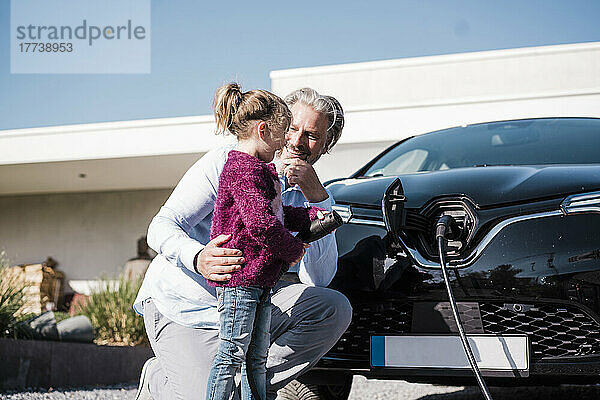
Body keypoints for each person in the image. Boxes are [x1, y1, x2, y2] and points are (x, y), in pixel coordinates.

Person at [133, 87, 351, 400]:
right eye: (291, 128)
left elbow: (318, 277)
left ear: (326, 145)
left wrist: (317, 195)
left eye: (312, 135)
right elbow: (161, 226)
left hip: (247, 302)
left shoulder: (308, 193)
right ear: (273, 125)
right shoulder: (226, 163)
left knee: (332, 308)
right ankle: (159, 380)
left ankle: (250, 384)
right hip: (186, 305)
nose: (297, 142)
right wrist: (198, 257)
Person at [205, 83, 324, 400]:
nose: (287, 140)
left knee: (255, 359)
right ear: (262, 129)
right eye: (283, 131)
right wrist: (294, 249)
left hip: (260, 280)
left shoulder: (262, 170)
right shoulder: (242, 169)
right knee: (231, 355)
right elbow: (261, 224)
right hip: (240, 281)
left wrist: (310, 216)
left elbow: (277, 212)